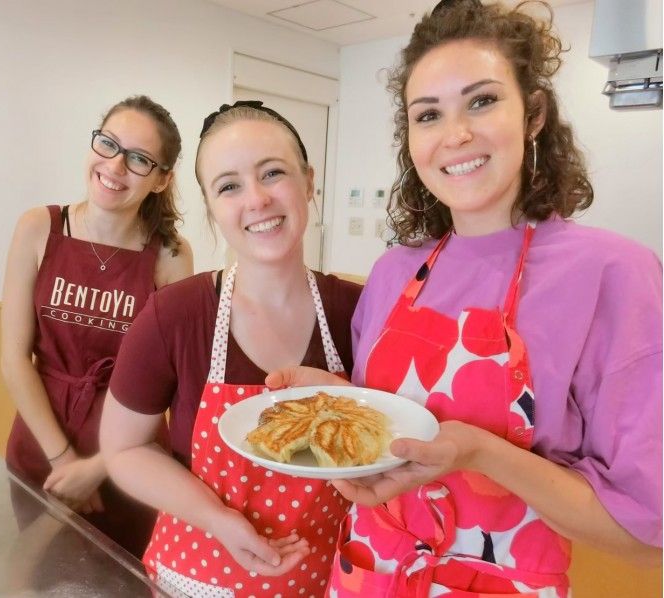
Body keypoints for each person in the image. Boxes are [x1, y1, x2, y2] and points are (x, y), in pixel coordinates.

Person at [266, 1, 663, 595]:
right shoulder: (392, 272)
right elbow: (396, 426)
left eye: (482, 101)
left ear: (533, 115)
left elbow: (644, 534)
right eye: (428, 115)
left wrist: (479, 453)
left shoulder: (613, 274)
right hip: (368, 574)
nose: (455, 134)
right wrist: (341, 405)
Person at [100, 101, 362, 597]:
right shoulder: (172, 316)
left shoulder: (359, 313)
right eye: (229, 186)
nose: (257, 199)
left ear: (308, 182)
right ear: (212, 206)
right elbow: (124, 449)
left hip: (330, 579)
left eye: (273, 173)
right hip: (198, 578)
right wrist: (217, 518)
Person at [1, 95, 193, 558]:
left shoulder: (170, 255)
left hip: (130, 462)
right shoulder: (38, 227)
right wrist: (64, 460)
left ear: (162, 179)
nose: (115, 165)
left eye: (139, 159)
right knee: (40, 581)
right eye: (108, 143)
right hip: (39, 449)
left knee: (122, 581)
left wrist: (101, 466)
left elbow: (171, 386)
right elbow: (13, 359)